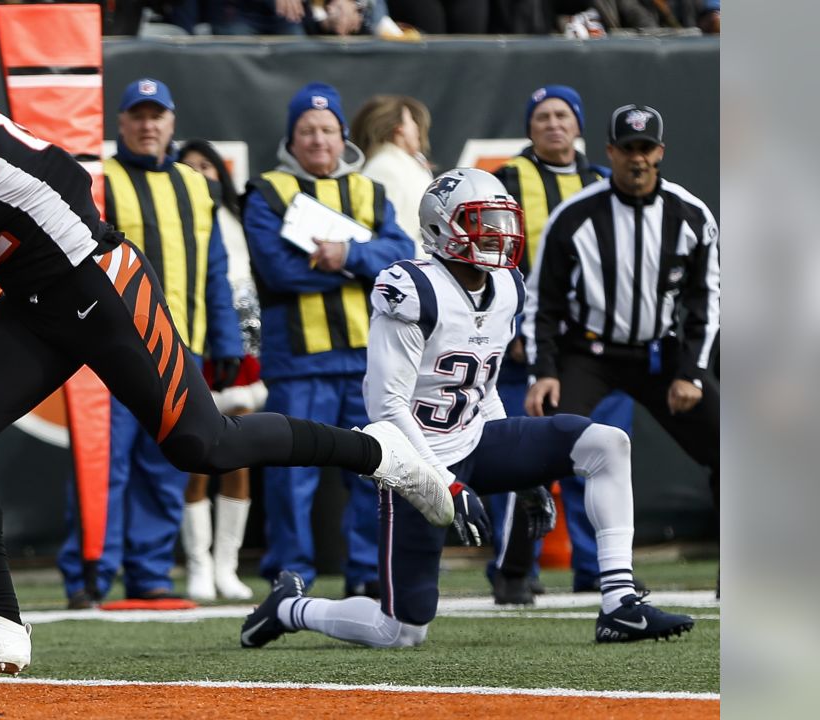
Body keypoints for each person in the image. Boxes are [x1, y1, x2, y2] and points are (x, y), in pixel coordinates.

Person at [0, 34, 450, 676]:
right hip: (35, 297)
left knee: (206, 446)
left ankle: (382, 455)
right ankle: (0, 622)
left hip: (95, 279)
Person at [240, 168, 697, 650]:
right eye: (482, 221)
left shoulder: (507, 287)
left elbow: (484, 387)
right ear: (441, 227)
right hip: (412, 462)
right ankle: (290, 608)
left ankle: (619, 605)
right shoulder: (411, 287)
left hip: (475, 438)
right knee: (400, 630)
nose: (498, 233)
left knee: (607, 443)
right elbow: (385, 407)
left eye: (502, 220)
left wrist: (520, 471)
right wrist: (446, 481)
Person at [55, 80, 244, 608]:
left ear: (171, 121)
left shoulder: (195, 184)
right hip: (111, 347)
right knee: (104, 465)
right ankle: (92, 573)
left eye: (156, 114)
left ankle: (151, 574)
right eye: (137, 114)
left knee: (167, 465)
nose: (147, 124)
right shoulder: (100, 180)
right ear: (120, 122)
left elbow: (215, 269)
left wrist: (225, 342)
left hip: (182, 348)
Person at [243, 82, 418, 598]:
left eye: (327, 129)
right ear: (291, 139)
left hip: (367, 361)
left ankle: (367, 572)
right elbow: (277, 272)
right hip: (298, 361)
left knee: (372, 471)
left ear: (344, 136)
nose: (318, 140)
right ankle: (290, 574)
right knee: (291, 478)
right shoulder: (267, 191)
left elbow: (400, 254)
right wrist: (359, 266)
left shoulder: (369, 190)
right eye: (307, 130)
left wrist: (348, 256)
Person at [524, 104, 720, 515]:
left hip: (658, 355)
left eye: (645, 148)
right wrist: (544, 370)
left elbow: (707, 299)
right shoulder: (574, 216)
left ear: (660, 152)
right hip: (587, 353)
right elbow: (544, 300)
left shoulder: (690, 215)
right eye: (628, 148)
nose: (638, 159)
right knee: (537, 455)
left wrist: (692, 373)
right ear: (610, 151)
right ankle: (513, 575)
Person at [490, 84, 633, 603]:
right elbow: (494, 258)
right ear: (530, 128)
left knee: (599, 451)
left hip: (595, 346)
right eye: (543, 117)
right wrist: (515, 329)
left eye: (563, 115)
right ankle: (512, 569)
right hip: (529, 345)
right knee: (524, 458)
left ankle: (598, 569)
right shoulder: (508, 177)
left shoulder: (602, 180)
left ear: (579, 125)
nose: (553, 124)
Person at [177, 138, 266, 601]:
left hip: (242, 349)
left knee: (240, 454)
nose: (199, 175)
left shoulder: (239, 216)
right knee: (196, 454)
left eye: (206, 166)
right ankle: (198, 565)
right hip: (193, 341)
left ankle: (227, 567)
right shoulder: (178, 216)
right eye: (188, 168)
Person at [351, 94, 434, 253]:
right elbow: (388, 236)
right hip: (408, 269)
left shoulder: (405, 164)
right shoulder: (383, 168)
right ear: (398, 127)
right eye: (411, 120)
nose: (417, 127)